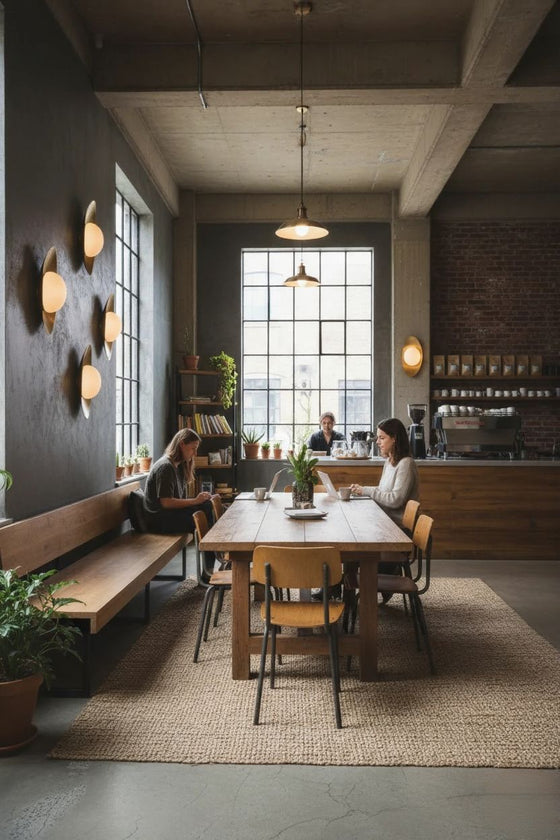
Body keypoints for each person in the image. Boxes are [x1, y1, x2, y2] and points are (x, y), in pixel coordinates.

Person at [349, 417, 420, 601]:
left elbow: (395, 499)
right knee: (349, 540)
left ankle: (346, 590)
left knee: (352, 548)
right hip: (385, 525)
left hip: (397, 532)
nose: (377, 442)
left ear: (394, 438)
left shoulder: (406, 464)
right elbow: (382, 491)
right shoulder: (389, 462)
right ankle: (341, 590)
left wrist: (367, 491)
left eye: (382, 438)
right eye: (378, 438)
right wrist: (363, 491)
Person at [143, 428, 214, 535]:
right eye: (193, 449)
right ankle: (211, 544)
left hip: (170, 515)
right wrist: (195, 500)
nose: (195, 453)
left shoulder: (179, 466)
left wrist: (202, 499)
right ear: (182, 444)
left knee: (208, 504)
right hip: (159, 521)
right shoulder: (165, 467)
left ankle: (211, 543)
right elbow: (166, 503)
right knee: (204, 512)